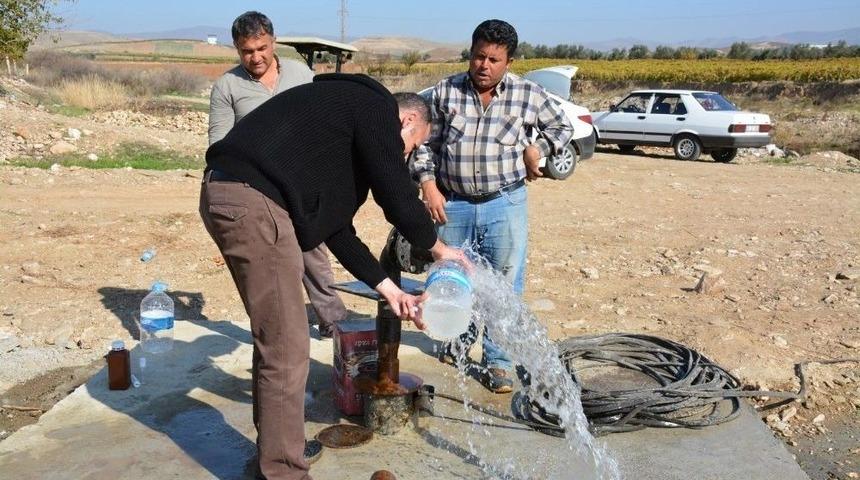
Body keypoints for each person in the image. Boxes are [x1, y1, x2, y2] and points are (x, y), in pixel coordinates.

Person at [200, 74, 464, 479]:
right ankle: (284, 471)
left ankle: (275, 454)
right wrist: (438, 247)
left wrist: (389, 289)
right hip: (253, 201)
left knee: (276, 341)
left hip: (229, 195)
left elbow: (336, 230)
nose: (404, 158)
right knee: (287, 348)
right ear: (408, 120)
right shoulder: (374, 105)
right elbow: (395, 194)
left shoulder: (338, 132)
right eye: (409, 148)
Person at [413, 19, 573, 393]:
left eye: (494, 60)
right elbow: (424, 144)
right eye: (479, 57)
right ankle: (458, 343)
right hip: (452, 203)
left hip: (504, 203)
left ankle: (498, 361)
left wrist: (539, 149)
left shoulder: (528, 94)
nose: (484, 66)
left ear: (509, 62)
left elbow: (561, 129)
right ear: (470, 54)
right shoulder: (445, 92)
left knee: (502, 286)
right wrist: (427, 184)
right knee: (454, 278)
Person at [209, 11, 348, 338]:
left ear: (273, 42)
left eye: (261, 48)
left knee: (314, 255)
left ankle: (335, 324)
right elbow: (218, 146)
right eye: (247, 51)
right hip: (260, 191)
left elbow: (322, 121)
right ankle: (279, 332)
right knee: (271, 264)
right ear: (236, 49)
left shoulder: (300, 73)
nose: (255, 57)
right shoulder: (228, 86)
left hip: (304, 183)